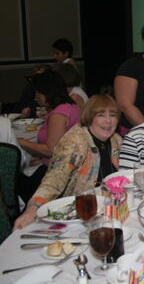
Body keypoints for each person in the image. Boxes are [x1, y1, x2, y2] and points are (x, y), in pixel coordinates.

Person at [13, 94, 122, 230]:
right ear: (89, 117)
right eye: (100, 115)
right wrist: (33, 209)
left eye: (112, 115)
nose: (108, 121)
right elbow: (54, 178)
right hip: (79, 217)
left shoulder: (115, 140)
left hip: (108, 212)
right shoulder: (75, 142)